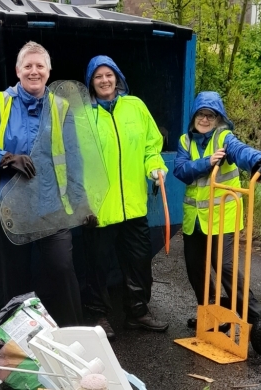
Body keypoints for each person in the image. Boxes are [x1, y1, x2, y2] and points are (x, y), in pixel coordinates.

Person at [0, 41, 84, 327]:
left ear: (49, 70)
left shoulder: (61, 107)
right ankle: (21, 346)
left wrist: (82, 202)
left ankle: (72, 337)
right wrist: (5, 158)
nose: (34, 71)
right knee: (15, 281)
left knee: (61, 269)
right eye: (28, 66)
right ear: (18, 71)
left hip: (51, 208)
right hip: (10, 210)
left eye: (39, 66)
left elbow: (74, 157)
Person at [81, 55, 170, 340]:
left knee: (140, 260)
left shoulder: (136, 107)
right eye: (98, 77)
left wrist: (155, 166)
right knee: (97, 266)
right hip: (99, 209)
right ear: (91, 83)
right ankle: (98, 316)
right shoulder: (83, 115)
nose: (105, 81)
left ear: (117, 77)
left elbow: (151, 146)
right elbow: (73, 159)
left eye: (109, 75)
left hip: (133, 205)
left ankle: (137, 312)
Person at [172, 91, 261, 329]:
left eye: (211, 115)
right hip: (194, 220)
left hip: (222, 218)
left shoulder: (224, 138)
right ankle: (211, 314)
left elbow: (241, 151)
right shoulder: (185, 141)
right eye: (201, 114)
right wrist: (207, 163)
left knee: (225, 267)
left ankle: (258, 319)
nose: (205, 119)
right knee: (195, 267)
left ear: (219, 119)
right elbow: (181, 171)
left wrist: (258, 160)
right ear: (194, 117)